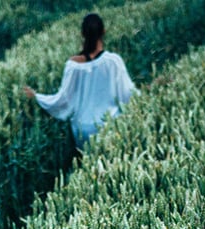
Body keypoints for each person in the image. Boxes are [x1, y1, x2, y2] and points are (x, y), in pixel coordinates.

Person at [24, 13, 136, 149]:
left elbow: (62, 100)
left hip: (83, 130)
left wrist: (37, 96)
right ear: (104, 32)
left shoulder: (73, 65)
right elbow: (129, 95)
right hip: (109, 127)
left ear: (82, 34)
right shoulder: (113, 61)